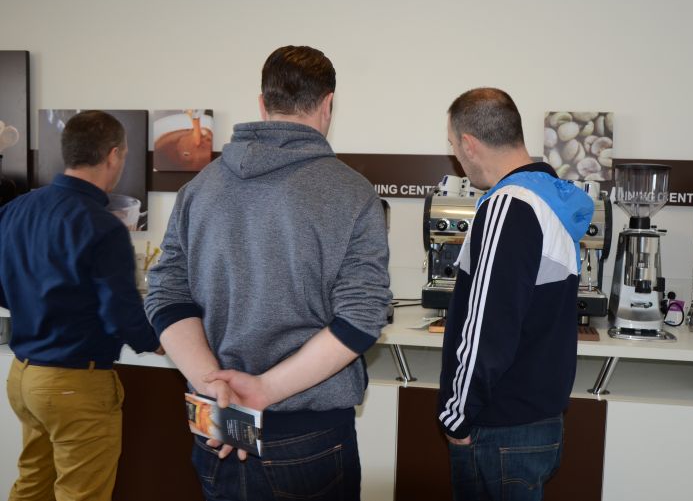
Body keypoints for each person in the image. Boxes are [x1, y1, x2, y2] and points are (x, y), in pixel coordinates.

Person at [144, 45, 391, 501]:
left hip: (216, 423)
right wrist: (259, 390)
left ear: (262, 103)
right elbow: (362, 317)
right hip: (308, 435)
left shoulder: (200, 187)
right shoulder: (352, 193)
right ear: (328, 104)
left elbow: (165, 294)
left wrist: (214, 386)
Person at [437, 88, 594, 501]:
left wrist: (456, 416)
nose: (455, 155)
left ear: (469, 144)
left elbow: (489, 325)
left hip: (499, 429)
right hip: (539, 423)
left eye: (452, 145)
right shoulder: (549, 199)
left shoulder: (508, 206)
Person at [0, 110, 162, 501]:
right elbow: (121, 314)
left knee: (32, 485)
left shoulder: (18, 208)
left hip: (23, 378)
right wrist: (160, 342)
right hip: (74, 385)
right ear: (113, 155)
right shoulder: (102, 226)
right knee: (81, 495)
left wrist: (33, 305)